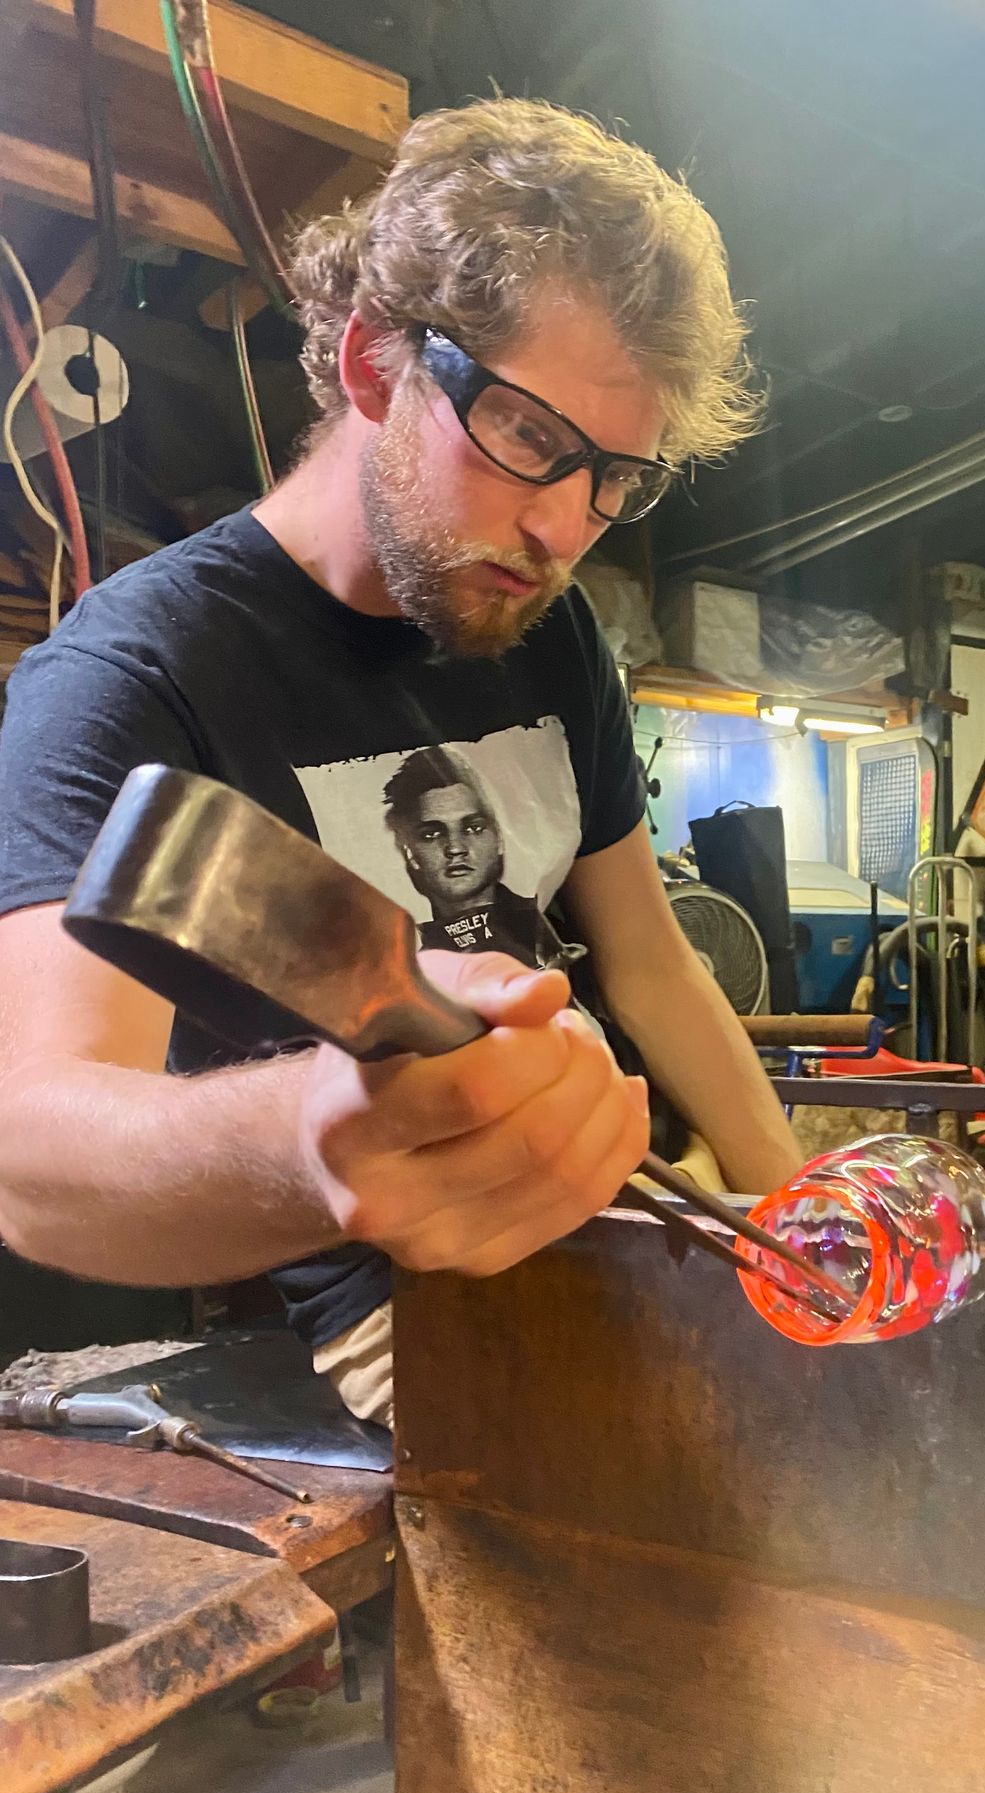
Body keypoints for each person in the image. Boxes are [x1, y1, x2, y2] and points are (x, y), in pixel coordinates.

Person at [0, 97, 803, 1426]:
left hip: (610, 1255)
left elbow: (653, 970)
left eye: (617, 479)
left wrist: (789, 1220)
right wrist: (310, 1134)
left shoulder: (548, 636)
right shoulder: (136, 672)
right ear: (377, 364)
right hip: (377, 1336)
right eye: (533, 441)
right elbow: (30, 1149)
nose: (563, 527)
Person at [382, 745, 543, 957]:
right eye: (432, 835)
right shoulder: (408, 961)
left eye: (472, 828)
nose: (455, 848)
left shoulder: (545, 929)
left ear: (499, 839)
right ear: (409, 852)